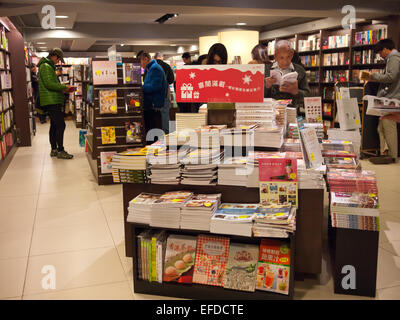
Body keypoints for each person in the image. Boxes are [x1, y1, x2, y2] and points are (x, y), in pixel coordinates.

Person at [364, 39, 400, 164]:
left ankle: (392, 155)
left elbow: (391, 77)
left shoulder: (394, 58)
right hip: (390, 98)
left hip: (392, 99)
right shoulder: (392, 59)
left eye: (380, 52)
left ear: (385, 49)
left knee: (388, 126)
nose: (380, 55)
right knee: (381, 127)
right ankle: (385, 152)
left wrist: (372, 76)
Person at [38, 48, 75, 159]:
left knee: (54, 125)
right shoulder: (46, 66)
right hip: (51, 100)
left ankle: (54, 149)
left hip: (51, 99)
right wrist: (64, 87)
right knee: (60, 125)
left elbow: (50, 83)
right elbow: (49, 84)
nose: (58, 62)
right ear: (54, 56)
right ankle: (60, 150)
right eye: (58, 59)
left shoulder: (47, 66)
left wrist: (62, 88)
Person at [264, 40, 310, 107]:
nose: (285, 62)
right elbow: (257, 97)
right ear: (275, 56)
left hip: (291, 112)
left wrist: (296, 91)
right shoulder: (266, 70)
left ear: (292, 54)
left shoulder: (300, 70)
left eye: (288, 57)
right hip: (271, 112)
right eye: (281, 58)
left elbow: (307, 96)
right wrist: (266, 87)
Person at [140, 52, 168, 141]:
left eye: (140, 61)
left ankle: (154, 152)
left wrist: (140, 88)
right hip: (152, 105)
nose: (140, 65)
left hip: (153, 105)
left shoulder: (155, 68)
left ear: (145, 59)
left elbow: (155, 86)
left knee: (153, 133)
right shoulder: (151, 68)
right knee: (152, 132)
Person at [206, 43, 235, 112]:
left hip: (229, 112)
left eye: (220, 62)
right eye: (214, 61)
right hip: (209, 112)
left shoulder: (230, 74)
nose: (217, 65)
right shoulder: (205, 73)